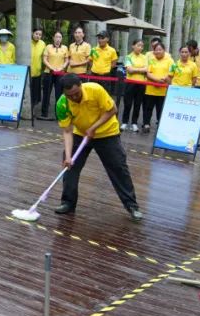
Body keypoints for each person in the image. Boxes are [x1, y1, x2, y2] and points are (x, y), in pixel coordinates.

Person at [53, 74, 143, 222]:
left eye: (76, 93)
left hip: (107, 133)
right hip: (80, 134)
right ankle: (68, 203)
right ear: (64, 93)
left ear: (81, 85)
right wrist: (68, 157)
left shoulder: (95, 90)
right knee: (70, 168)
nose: (74, 97)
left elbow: (112, 109)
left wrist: (94, 127)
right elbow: (67, 131)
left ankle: (132, 206)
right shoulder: (62, 104)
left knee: (118, 168)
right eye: (70, 95)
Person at [142, 39, 172, 132]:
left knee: (161, 108)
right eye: (156, 50)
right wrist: (157, 80)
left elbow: (172, 72)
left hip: (163, 90)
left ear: (164, 50)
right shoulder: (151, 60)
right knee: (148, 108)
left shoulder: (169, 60)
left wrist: (163, 80)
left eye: (160, 49)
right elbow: (148, 73)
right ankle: (146, 124)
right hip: (151, 88)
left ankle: (160, 124)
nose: (158, 51)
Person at [121, 39, 148, 132]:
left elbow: (146, 69)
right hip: (130, 83)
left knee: (137, 104)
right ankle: (124, 122)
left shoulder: (144, 57)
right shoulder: (128, 57)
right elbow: (129, 70)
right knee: (127, 103)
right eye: (138, 45)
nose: (140, 48)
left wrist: (135, 69)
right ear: (133, 46)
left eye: (142, 46)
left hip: (141, 83)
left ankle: (134, 123)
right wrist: (140, 69)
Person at [41, 30, 68, 120]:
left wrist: (61, 68)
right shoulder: (48, 47)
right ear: (53, 38)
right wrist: (51, 67)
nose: (58, 39)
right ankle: (44, 113)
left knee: (59, 94)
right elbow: (44, 59)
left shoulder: (65, 48)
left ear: (62, 39)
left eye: (60, 37)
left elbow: (66, 60)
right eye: (56, 37)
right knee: (46, 93)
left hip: (60, 73)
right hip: (48, 72)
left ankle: (58, 114)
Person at [89, 30, 119, 94]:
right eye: (99, 38)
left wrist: (105, 70)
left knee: (105, 94)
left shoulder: (112, 50)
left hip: (106, 76)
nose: (100, 40)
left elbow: (114, 63)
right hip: (94, 75)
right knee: (92, 93)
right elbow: (90, 60)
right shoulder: (93, 49)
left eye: (102, 38)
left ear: (107, 39)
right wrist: (95, 68)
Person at [29, 28, 46, 117]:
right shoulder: (27, 42)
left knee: (35, 93)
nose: (38, 36)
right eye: (36, 34)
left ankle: (32, 110)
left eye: (40, 35)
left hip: (37, 73)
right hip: (27, 73)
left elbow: (45, 57)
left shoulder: (43, 44)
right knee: (27, 92)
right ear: (32, 33)